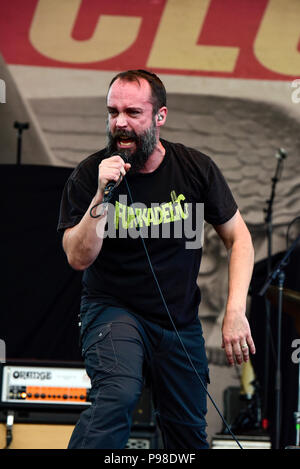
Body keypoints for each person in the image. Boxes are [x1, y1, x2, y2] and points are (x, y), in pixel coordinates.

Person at [57, 69, 255, 449]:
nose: (120, 123)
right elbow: (78, 258)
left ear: (159, 117)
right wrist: (102, 196)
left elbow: (239, 237)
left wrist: (234, 310)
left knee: (188, 432)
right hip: (112, 310)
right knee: (117, 395)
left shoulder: (196, 169)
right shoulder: (89, 175)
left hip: (178, 320)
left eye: (133, 112)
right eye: (113, 112)